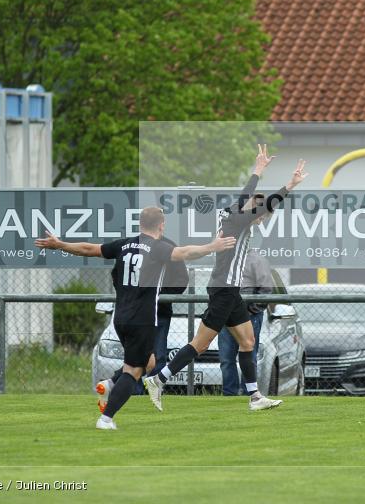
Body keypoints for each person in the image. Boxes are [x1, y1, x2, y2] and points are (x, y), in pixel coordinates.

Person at [35, 207, 235, 430]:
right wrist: (212, 247)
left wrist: (59, 244)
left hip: (120, 317)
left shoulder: (124, 245)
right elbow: (185, 253)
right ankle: (106, 418)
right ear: (161, 225)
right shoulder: (158, 247)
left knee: (149, 362)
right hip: (143, 319)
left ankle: (109, 384)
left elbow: (89, 249)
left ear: (140, 224)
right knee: (134, 371)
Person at [144, 145, 307, 412]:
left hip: (231, 292)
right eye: (261, 216)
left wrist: (258, 170)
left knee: (248, 341)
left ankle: (255, 397)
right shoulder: (238, 220)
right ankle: (158, 379)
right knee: (200, 344)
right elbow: (263, 203)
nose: (261, 219)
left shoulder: (233, 214)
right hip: (223, 290)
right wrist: (290, 184)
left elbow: (246, 196)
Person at [95, 235, 189, 411]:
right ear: (160, 225)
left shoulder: (167, 246)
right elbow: (116, 274)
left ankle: (112, 385)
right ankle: (128, 396)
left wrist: (156, 294)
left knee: (152, 359)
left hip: (158, 312)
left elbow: (181, 280)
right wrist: (132, 294)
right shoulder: (130, 245)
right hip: (138, 313)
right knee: (140, 360)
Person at [218, 248, 274, 395]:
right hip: (226, 316)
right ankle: (229, 395)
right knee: (226, 358)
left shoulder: (257, 259)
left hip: (249, 316)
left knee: (249, 356)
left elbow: (266, 289)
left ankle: (249, 393)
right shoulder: (224, 258)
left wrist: (251, 310)